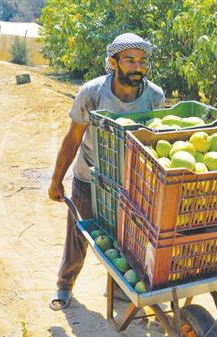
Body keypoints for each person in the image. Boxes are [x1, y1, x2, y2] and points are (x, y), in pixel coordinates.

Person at [47, 33, 165, 310]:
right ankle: (65, 285)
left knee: (127, 240)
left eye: (142, 61)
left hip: (129, 182)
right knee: (79, 234)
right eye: (130, 60)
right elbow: (73, 138)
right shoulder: (92, 92)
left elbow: (156, 142)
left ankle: (119, 288)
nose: (137, 67)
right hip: (89, 176)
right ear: (113, 62)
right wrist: (56, 181)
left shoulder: (154, 96)